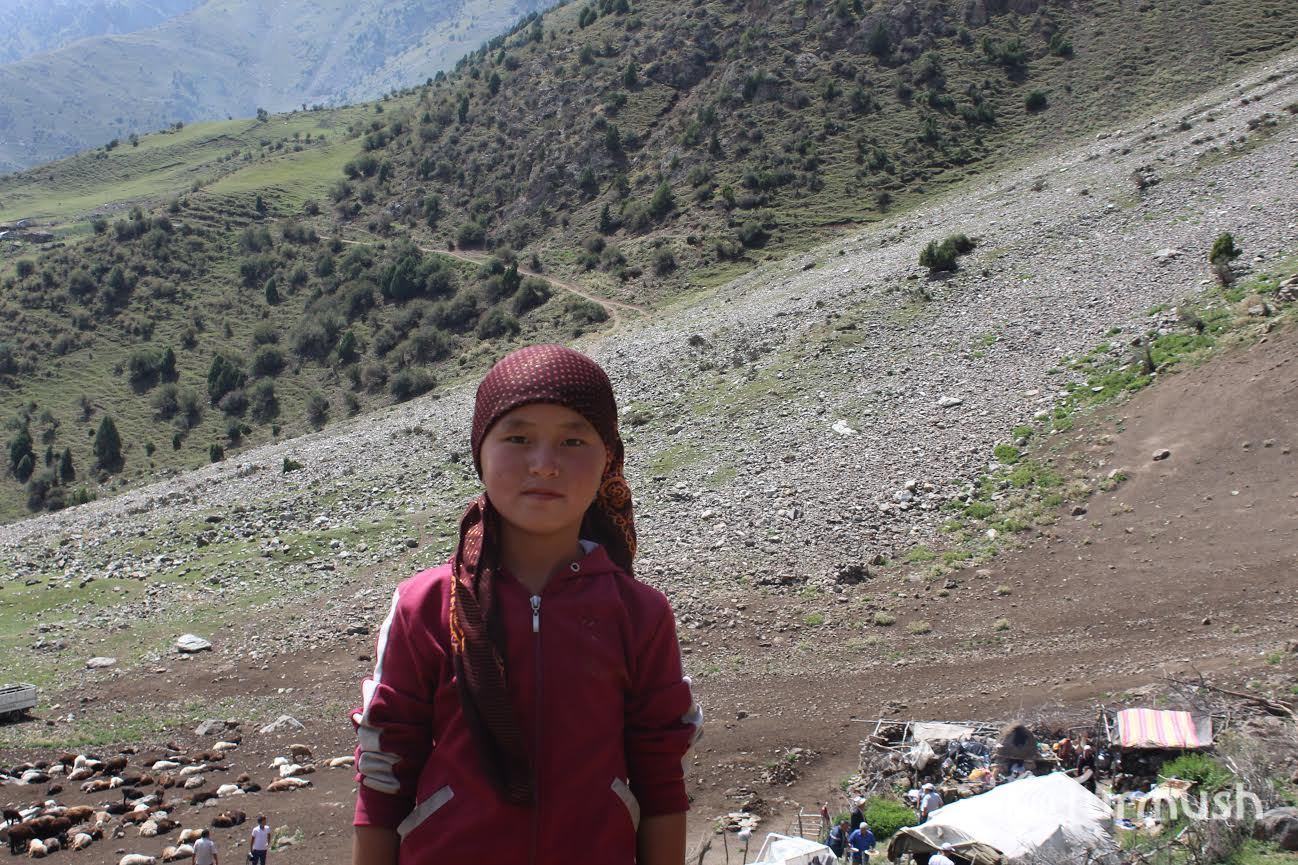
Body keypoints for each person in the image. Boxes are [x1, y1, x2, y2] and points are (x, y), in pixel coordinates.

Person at [351, 345, 703, 865]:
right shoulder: (423, 607)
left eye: (573, 440)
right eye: (517, 438)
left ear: (608, 458)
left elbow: (661, 777)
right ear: (480, 452)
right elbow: (385, 769)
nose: (544, 465)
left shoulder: (639, 614)